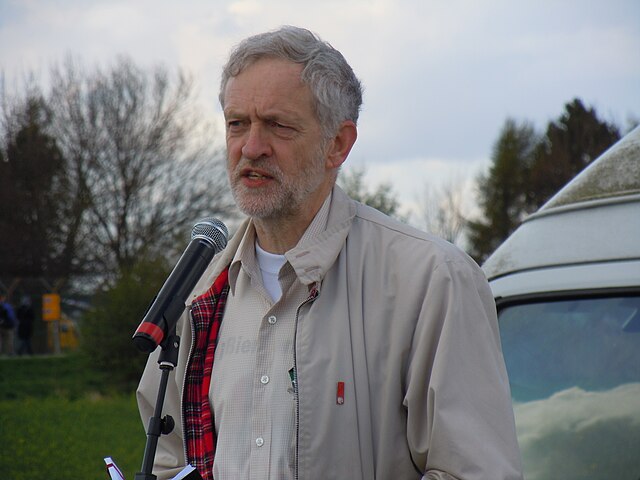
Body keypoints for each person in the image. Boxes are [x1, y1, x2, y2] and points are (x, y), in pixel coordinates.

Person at [137, 25, 523, 480]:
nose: (251, 147)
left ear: (337, 144)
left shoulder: (433, 281)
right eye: (237, 123)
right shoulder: (197, 296)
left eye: (277, 125)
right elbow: (168, 461)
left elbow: (475, 471)